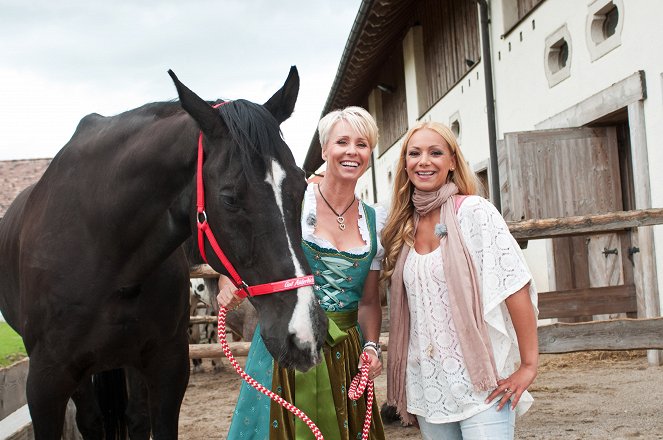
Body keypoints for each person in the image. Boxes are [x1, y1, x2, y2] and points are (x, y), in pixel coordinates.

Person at [218, 106, 386, 440]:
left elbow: (368, 302)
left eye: (362, 143)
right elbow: (247, 236)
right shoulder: (295, 199)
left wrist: (370, 347)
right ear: (324, 149)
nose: (352, 151)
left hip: (345, 356)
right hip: (288, 341)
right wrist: (226, 279)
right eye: (342, 142)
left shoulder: (376, 219)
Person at [381, 121, 539, 440]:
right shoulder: (402, 227)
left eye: (435, 152)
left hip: (481, 382)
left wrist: (528, 365)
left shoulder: (474, 213)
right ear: (406, 163)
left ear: (452, 162)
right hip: (429, 385)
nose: (424, 161)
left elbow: (514, 284)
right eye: (415, 153)